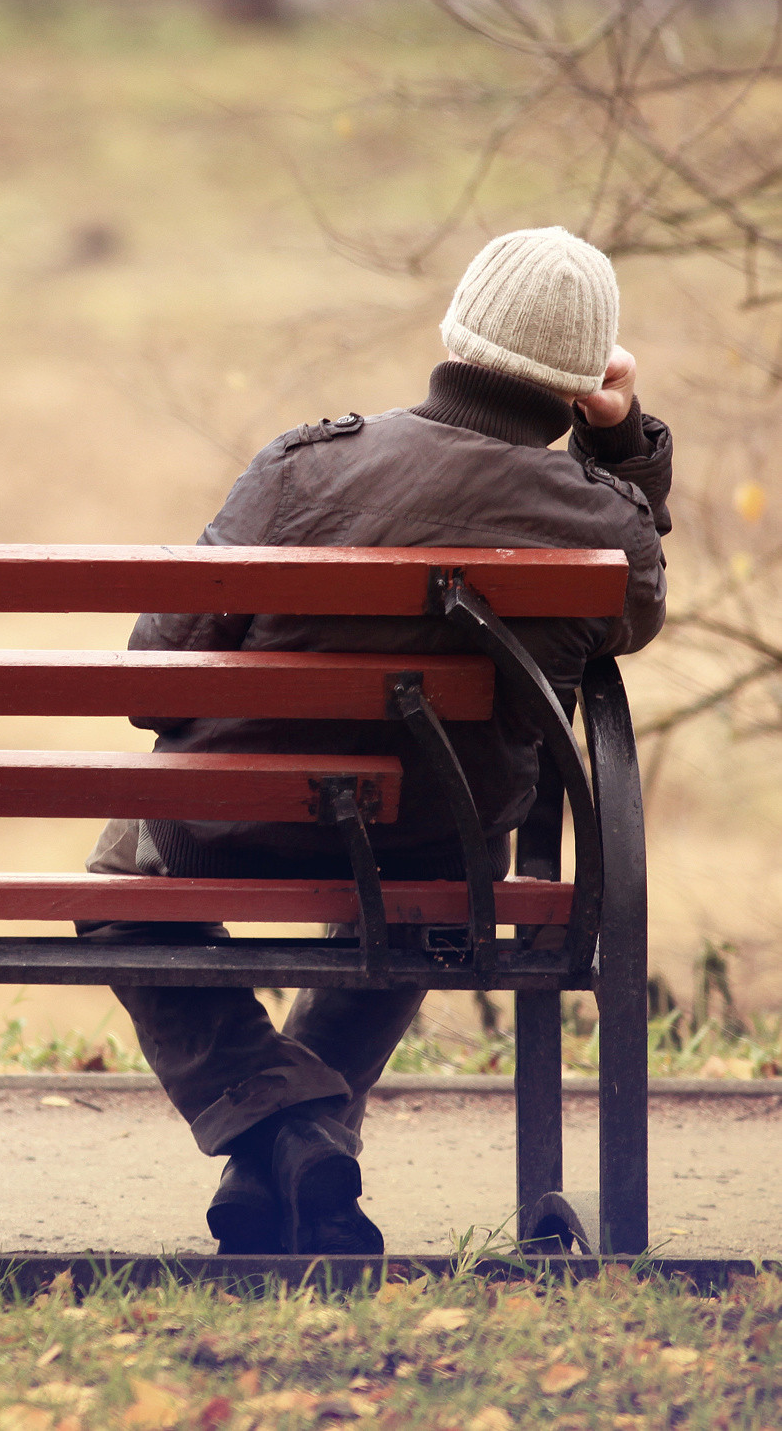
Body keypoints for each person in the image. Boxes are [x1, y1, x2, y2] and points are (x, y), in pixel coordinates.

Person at [80, 225, 672, 1254]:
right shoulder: (598, 524)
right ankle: (305, 1136)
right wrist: (617, 444)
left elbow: (153, 677)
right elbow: (634, 603)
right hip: (438, 851)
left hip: (230, 827)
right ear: (579, 384)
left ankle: (281, 1128)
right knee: (428, 890)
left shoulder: (304, 468)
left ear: (454, 333)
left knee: (119, 890)